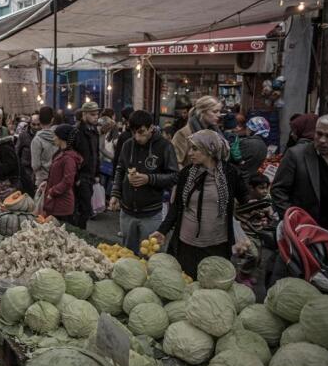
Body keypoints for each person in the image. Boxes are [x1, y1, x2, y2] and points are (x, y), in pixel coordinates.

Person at [149, 130, 249, 277]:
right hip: (186, 244)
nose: (190, 153)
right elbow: (177, 207)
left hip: (216, 245)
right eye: (190, 148)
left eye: (195, 149)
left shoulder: (230, 173)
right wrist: (162, 230)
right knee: (187, 282)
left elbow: (244, 200)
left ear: (210, 149)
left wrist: (250, 220)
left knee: (210, 283)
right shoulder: (186, 173)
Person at [109, 110, 178, 254]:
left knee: (150, 255)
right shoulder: (128, 145)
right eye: (133, 132)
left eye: (141, 132)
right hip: (127, 211)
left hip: (151, 213)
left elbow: (174, 176)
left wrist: (149, 179)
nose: (137, 137)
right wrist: (115, 193)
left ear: (151, 127)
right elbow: (120, 169)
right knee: (127, 254)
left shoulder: (165, 146)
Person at [271, 114, 328, 234]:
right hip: (306, 231)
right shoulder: (296, 155)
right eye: (319, 134)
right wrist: (293, 221)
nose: (322, 140)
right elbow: (278, 190)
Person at [43, 124, 83, 224]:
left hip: (62, 205)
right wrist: (47, 184)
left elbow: (68, 181)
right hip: (55, 202)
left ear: (62, 138)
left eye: (55, 135)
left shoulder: (68, 158)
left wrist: (52, 191)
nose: (53, 138)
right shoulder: (61, 153)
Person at [172, 96, 223, 168]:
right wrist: (188, 178)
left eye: (219, 111)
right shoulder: (183, 134)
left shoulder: (216, 133)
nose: (219, 115)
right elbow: (175, 163)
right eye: (215, 111)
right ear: (202, 112)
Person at [73, 101, 101, 229]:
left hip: (89, 175)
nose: (96, 117)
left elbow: (96, 153)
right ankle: (79, 234)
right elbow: (72, 155)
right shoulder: (77, 131)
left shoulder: (94, 131)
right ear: (84, 114)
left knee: (85, 210)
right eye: (93, 114)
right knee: (83, 210)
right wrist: (77, 177)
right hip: (81, 176)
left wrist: (96, 173)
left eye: (97, 114)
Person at [31, 106, 58, 189]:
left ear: (39, 120)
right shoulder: (59, 136)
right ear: (52, 120)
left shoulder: (37, 140)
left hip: (43, 180)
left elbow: (35, 165)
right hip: (58, 177)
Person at [236, 116, 270, 182]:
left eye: (248, 127)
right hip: (250, 179)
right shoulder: (264, 146)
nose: (246, 129)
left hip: (240, 180)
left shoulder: (247, 143)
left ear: (253, 129)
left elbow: (234, 159)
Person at [16, 114, 40, 196]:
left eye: (38, 124)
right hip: (26, 167)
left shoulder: (41, 135)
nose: (36, 127)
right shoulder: (23, 135)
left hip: (38, 168)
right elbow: (17, 151)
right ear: (30, 124)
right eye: (34, 124)